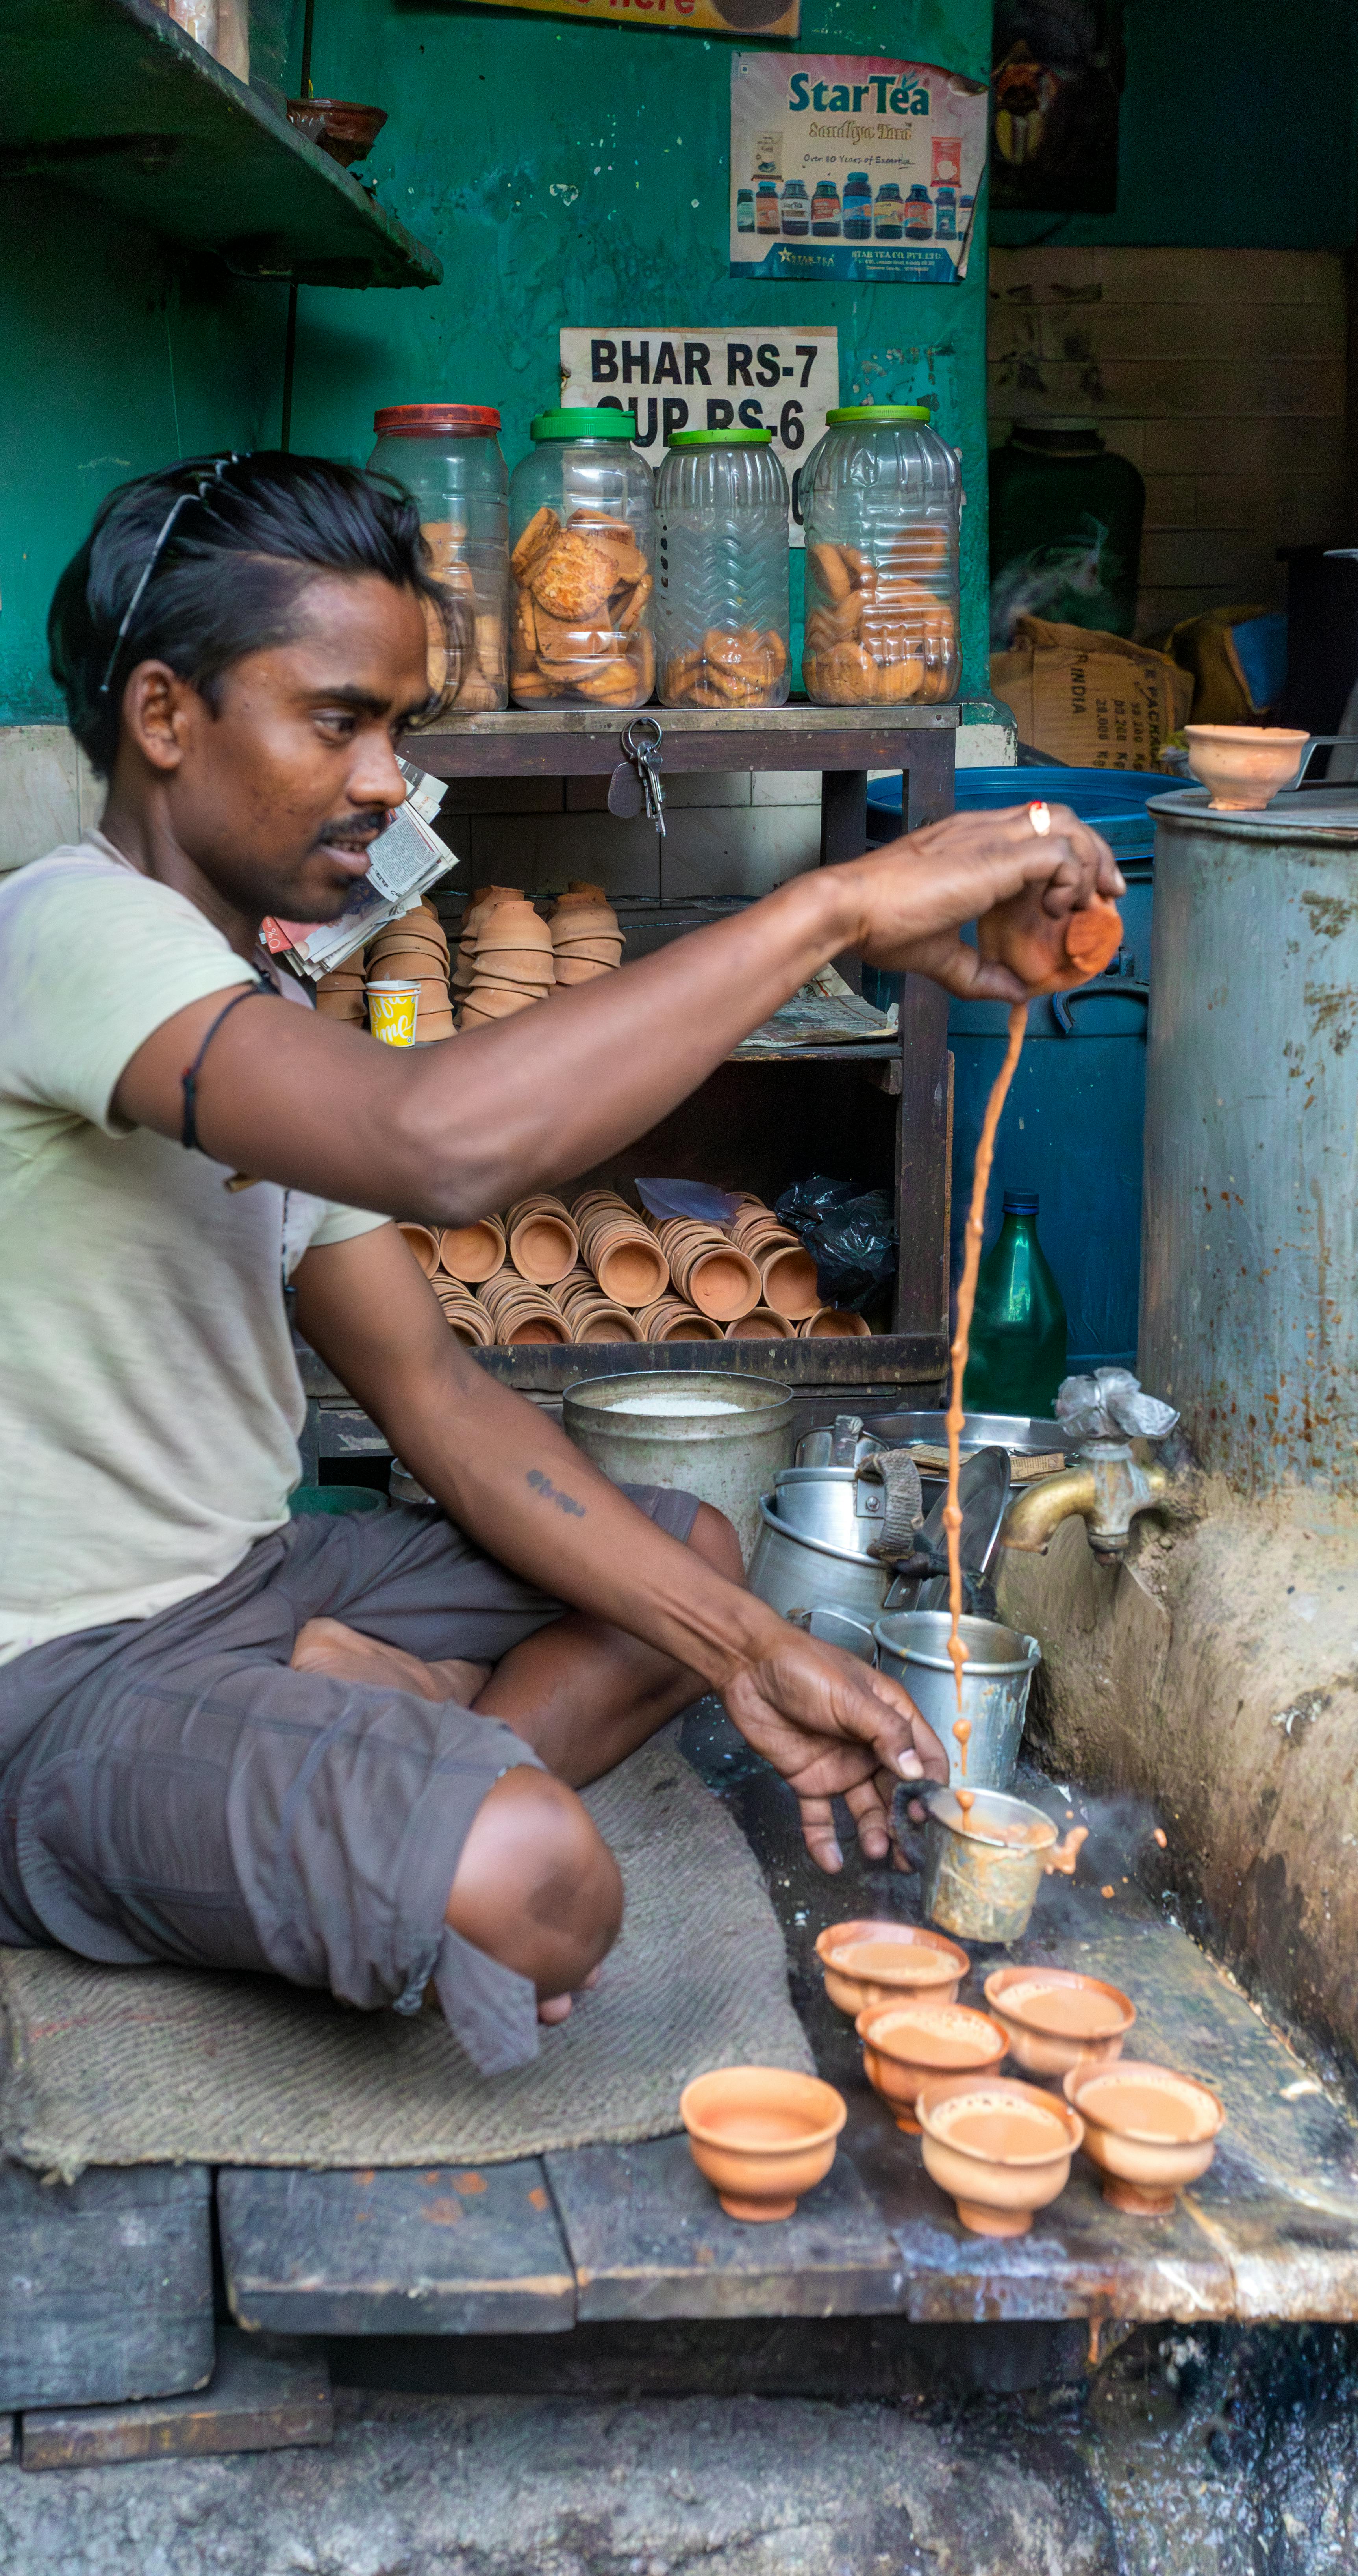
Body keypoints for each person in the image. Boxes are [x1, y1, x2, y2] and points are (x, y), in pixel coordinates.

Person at [0, 452, 1123, 2074]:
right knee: (540, 1882)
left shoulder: (240, 1002)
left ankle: (362, 1746)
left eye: (402, 729)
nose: (387, 780)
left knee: (688, 1562)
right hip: (58, 1678)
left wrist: (751, 1655)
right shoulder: (70, 932)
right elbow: (438, 1143)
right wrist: (828, 909)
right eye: (338, 721)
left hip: (242, 1592)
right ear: (165, 719)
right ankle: (372, 1784)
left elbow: (431, 1388)